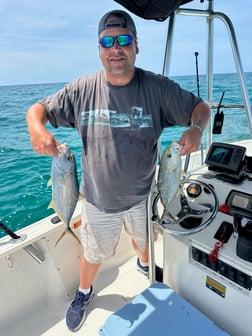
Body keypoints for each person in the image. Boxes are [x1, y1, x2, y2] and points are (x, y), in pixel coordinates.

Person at [26, 9, 210, 332]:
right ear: (99, 49)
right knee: (93, 255)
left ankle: (143, 265)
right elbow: (38, 109)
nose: (116, 48)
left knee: (143, 242)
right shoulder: (81, 90)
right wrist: (36, 129)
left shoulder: (157, 89)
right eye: (107, 41)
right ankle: (83, 293)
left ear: (136, 46)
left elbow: (201, 108)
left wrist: (196, 129)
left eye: (124, 40)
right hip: (99, 202)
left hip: (142, 197)